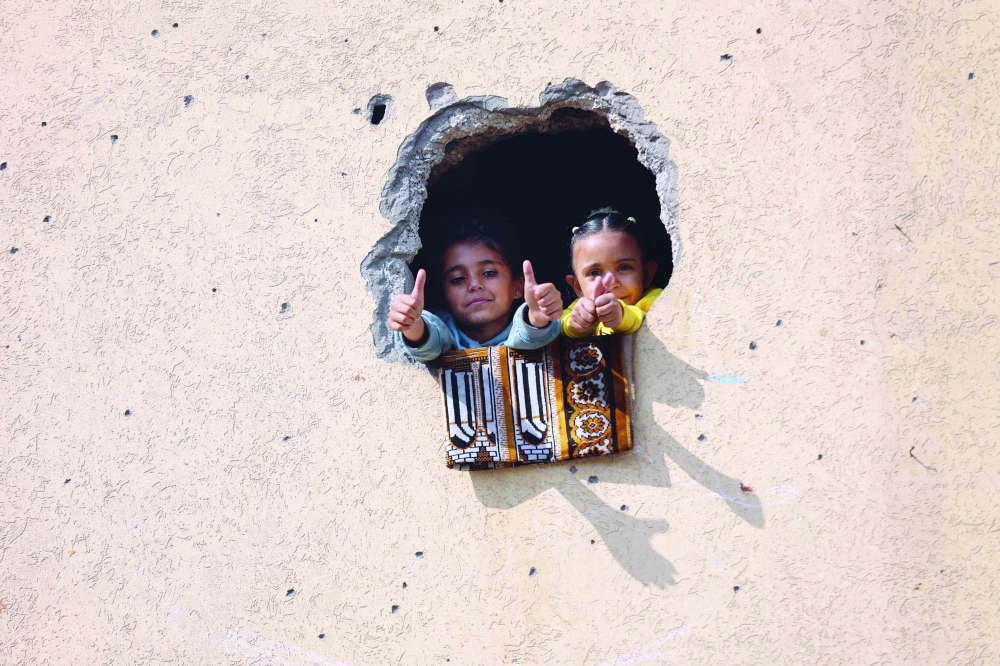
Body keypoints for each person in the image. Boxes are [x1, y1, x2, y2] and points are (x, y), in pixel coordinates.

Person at [389, 213, 564, 361]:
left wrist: (538, 316)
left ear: (518, 287)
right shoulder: (445, 330)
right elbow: (430, 342)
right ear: (444, 295)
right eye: (457, 279)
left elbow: (530, 336)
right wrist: (412, 324)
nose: (474, 285)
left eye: (489, 273)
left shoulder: (527, 324)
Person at [562, 209, 662, 337]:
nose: (610, 284)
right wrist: (577, 325)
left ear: (646, 275)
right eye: (594, 272)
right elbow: (558, 327)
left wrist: (621, 315)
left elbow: (637, 316)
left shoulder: (657, 300)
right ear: (577, 287)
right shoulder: (579, 307)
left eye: (624, 267)